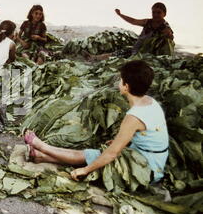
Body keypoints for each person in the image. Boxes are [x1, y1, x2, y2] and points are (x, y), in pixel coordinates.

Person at [24, 60, 169, 183]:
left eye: (120, 79)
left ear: (126, 86)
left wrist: (85, 170)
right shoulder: (150, 102)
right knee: (95, 154)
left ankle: (42, 147)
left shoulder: (134, 117)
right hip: (152, 160)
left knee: (90, 155)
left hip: (144, 171)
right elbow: (147, 135)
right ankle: (41, 156)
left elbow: (112, 154)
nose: (119, 81)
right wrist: (120, 143)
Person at [85, 2, 174, 61]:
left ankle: (93, 58)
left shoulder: (165, 27)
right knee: (116, 54)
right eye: (154, 12)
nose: (155, 15)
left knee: (121, 60)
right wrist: (120, 15)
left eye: (159, 12)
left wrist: (169, 35)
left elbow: (170, 39)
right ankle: (93, 57)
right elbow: (133, 21)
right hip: (135, 49)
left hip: (144, 55)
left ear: (164, 14)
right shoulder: (148, 22)